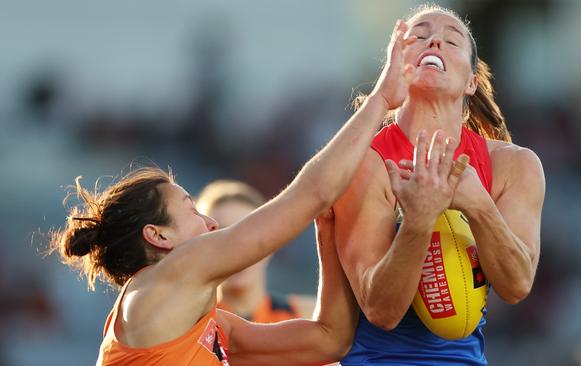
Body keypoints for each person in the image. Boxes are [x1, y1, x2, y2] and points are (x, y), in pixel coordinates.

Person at [48, 20, 471, 365]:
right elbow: (308, 195)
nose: (211, 222)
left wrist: (327, 236)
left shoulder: (202, 320)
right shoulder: (176, 272)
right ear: (158, 236)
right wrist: (380, 100)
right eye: (191, 209)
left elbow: (329, 341)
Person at [334, 4, 546, 365]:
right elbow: (379, 309)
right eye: (418, 37)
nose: (434, 41)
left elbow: (517, 285)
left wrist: (478, 204)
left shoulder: (513, 165)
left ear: (471, 82)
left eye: (452, 40)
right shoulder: (364, 160)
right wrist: (418, 221)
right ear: (396, 65)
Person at [196, 180, 315, 322]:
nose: (237, 249)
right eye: (220, 235)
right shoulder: (185, 325)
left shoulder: (309, 317)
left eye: (248, 234)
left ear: (271, 243)